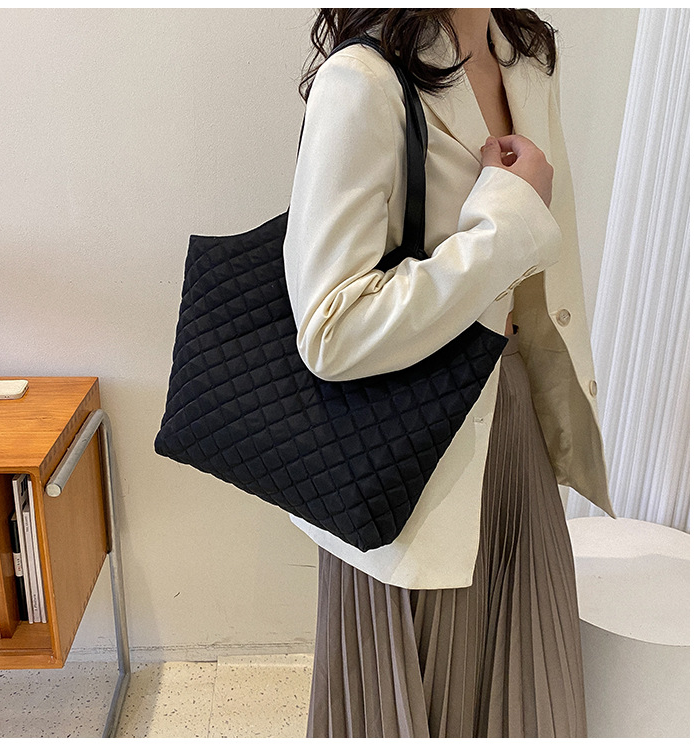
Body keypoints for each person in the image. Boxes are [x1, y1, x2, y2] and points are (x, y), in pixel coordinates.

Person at [282, 8, 617, 738]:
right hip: (409, 461)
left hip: (515, 424)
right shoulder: (364, 80)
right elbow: (331, 330)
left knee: (533, 696)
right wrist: (507, 220)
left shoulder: (527, 54)